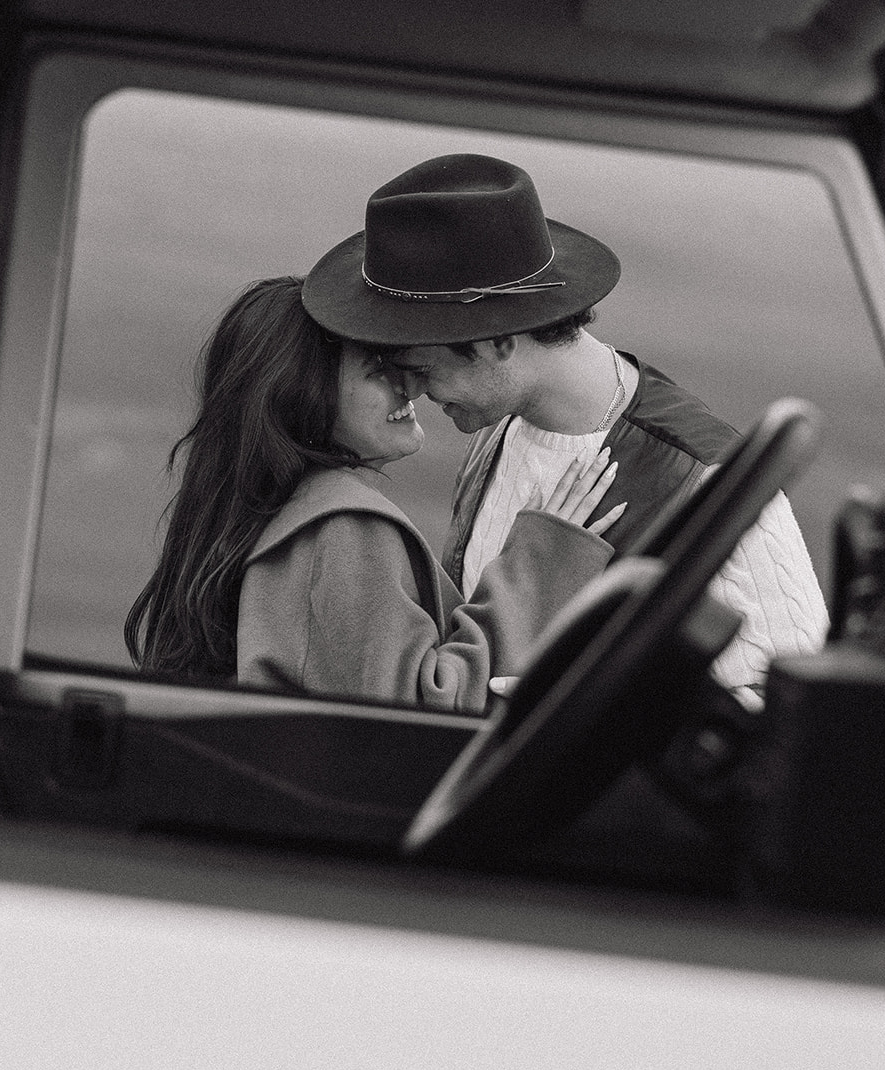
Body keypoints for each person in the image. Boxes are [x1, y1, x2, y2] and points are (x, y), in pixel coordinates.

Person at [301, 153, 830, 700]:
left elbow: (791, 714)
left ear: (498, 343)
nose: (413, 392)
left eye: (421, 369)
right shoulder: (496, 434)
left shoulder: (705, 479)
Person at [124, 277, 623, 713]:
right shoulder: (341, 528)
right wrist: (541, 563)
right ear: (306, 395)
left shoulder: (279, 511)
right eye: (378, 370)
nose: (409, 385)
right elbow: (413, 721)